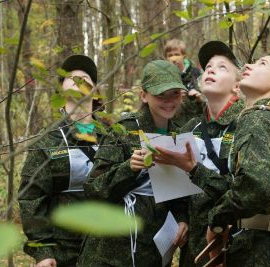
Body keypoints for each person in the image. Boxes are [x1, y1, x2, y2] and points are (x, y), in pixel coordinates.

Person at [154, 52, 270, 266]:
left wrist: (216, 218)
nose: (249, 66)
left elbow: (256, 186)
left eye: (262, 63)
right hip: (226, 247)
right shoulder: (256, 118)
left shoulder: (258, 119)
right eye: (208, 66)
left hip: (252, 248)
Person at [77, 60, 189, 267]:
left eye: (174, 93)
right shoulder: (124, 130)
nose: (168, 101)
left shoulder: (179, 135)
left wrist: (182, 219)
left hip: (151, 250)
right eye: (160, 95)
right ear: (144, 95)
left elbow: (176, 195)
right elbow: (93, 188)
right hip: (109, 251)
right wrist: (128, 168)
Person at [18, 55, 102, 267]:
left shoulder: (114, 137)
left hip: (109, 250)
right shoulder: (46, 140)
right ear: (61, 90)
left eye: (85, 77)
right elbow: (31, 198)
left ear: (96, 90)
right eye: (71, 77)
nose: (78, 80)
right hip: (64, 254)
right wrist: (43, 251)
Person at [173, 40, 244, 266]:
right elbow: (175, 189)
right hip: (192, 252)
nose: (211, 69)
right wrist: (181, 218)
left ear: (238, 86)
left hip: (235, 249)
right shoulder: (190, 129)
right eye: (208, 67)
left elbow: (250, 191)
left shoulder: (249, 125)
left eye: (222, 67)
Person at [164, 38, 204, 127]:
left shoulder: (196, 73)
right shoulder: (162, 77)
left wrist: (200, 99)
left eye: (177, 54)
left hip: (197, 127)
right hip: (172, 128)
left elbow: (210, 102)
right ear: (166, 58)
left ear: (184, 55)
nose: (173, 59)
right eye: (170, 55)